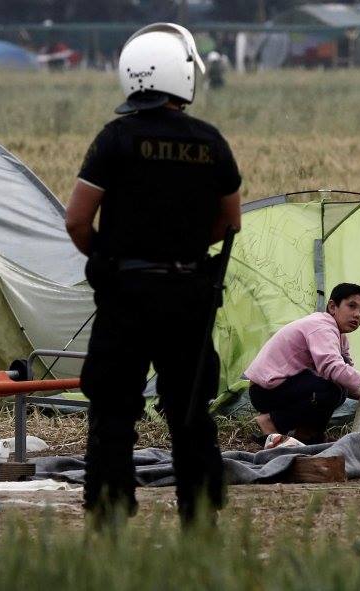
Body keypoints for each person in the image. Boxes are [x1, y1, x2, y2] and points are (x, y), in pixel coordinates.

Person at [64, 23, 243, 529]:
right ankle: (201, 519)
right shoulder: (210, 143)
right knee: (190, 412)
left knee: (114, 415)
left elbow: (77, 219)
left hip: (126, 295)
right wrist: (184, 250)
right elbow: (230, 221)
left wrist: (107, 257)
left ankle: (109, 518)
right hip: (188, 295)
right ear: (181, 75)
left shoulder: (115, 138)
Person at [244, 283, 360, 446]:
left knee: (338, 386)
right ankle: (271, 421)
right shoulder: (321, 327)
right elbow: (336, 371)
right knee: (333, 389)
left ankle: (306, 435)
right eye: (351, 306)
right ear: (332, 306)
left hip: (283, 387)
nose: (357, 315)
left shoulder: (339, 336)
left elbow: (345, 374)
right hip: (265, 391)